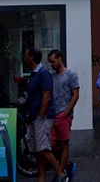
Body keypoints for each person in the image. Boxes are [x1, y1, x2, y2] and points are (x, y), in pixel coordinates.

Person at [24, 47, 67, 182]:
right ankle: (41, 178)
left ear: (31, 58)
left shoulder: (43, 73)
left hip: (43, 118)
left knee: (42, 148)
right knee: (38, 150)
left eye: (26, 56)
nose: (24, 58)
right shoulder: (34, 74)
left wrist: (40, 117)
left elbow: (46, 97)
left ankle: (60, 174)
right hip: (35, 117)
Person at [47, 50, 80, 182]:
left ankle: (59, 175)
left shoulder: (71, 74)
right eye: (49, 62)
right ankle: (67, 165)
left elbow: (76, 94)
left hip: (63, 115)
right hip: (53, 116)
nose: (51, 65)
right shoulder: (52, 77)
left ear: (60, 59)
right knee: (52, 145)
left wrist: (66, 112)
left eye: (52, 61)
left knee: (64, 144)